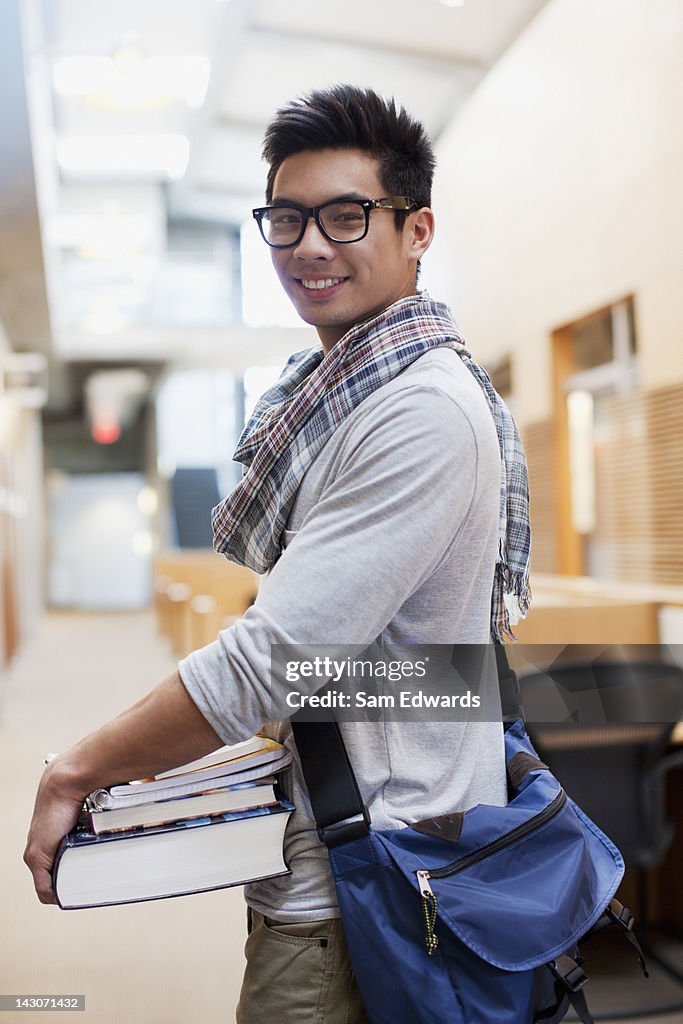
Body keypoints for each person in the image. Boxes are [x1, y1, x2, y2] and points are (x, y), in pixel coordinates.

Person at [24, 85, 531, 1024]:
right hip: (354, 844)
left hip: (366, 877)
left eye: (347, 216)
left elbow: (277, 658)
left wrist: (80, 769)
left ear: (417, 230)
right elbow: (432, 670)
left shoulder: (418, 408)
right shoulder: (343, 391)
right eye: (286, 219)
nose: (308, 244)